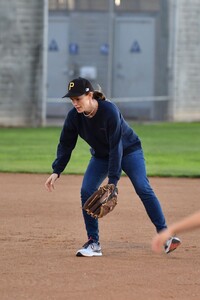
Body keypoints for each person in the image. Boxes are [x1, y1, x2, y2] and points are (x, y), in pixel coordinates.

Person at [45, 77, 181, 257]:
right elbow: (66, 143)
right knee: (86, 190)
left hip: (129, 151)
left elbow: (116, 146)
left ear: (90, 95)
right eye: (72, 100)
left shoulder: (109, 111)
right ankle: (93, 243)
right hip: (101, 156)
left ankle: (165, 236)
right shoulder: (74, 117)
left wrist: (113, 181)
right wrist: (57, 170)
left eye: (78, 99)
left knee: (142, 187)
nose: (75, 103)